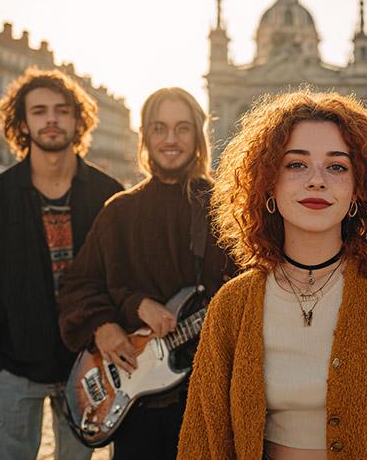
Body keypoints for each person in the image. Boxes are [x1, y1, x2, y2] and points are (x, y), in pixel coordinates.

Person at [177, 91, 367, 459]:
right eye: (296, 164)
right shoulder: (231, 305)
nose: (316, 181)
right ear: (268, 185)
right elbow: (202, 442)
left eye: (337, 166)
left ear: (358, 189)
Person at [0, 68, 123, 460]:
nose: (51, 119)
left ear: (78, 120)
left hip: (88, 366)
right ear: (23, 121)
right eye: (40, 110)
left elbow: (124, 277)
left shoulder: (109, 196)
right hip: (15, 368)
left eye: (62, 111)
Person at [58, 87, 235, 459]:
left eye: (183, 128)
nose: (170, 139)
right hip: (138, 403)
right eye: (159, 128)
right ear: (145, 136)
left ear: (199, 136)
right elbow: (78, 285)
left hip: (207, 402)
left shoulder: (227, 210)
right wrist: (103, 325)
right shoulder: (119, 211)